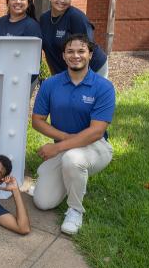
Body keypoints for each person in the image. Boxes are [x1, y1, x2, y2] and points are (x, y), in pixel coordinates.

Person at [31, 34, 115, 235]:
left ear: (90, 55)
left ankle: (75, 210)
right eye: (70, 51)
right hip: (67, 146)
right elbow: (37, 121)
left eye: (81, 51)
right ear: (63, 56)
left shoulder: (103, 87)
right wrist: (69, 140)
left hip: (96, 147)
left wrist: (57, 147)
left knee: (73, 159)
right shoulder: (51, 84)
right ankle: (59, 175)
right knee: (43, 202)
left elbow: (96, 132)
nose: (75, 55)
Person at [39, 0, 108, 78]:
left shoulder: (77, 18)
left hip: (92, 69)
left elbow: (87, 48)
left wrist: (80, 78)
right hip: (62, 72)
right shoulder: (44, 19)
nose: (62, 0)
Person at [0, 0, 42, 93]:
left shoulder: (32, 26)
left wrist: (23, 85)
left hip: (21, 82)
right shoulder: (0, 22)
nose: (17, 2)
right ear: (8, 2)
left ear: (28, 3)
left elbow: (35, 61)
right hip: (1, 79)